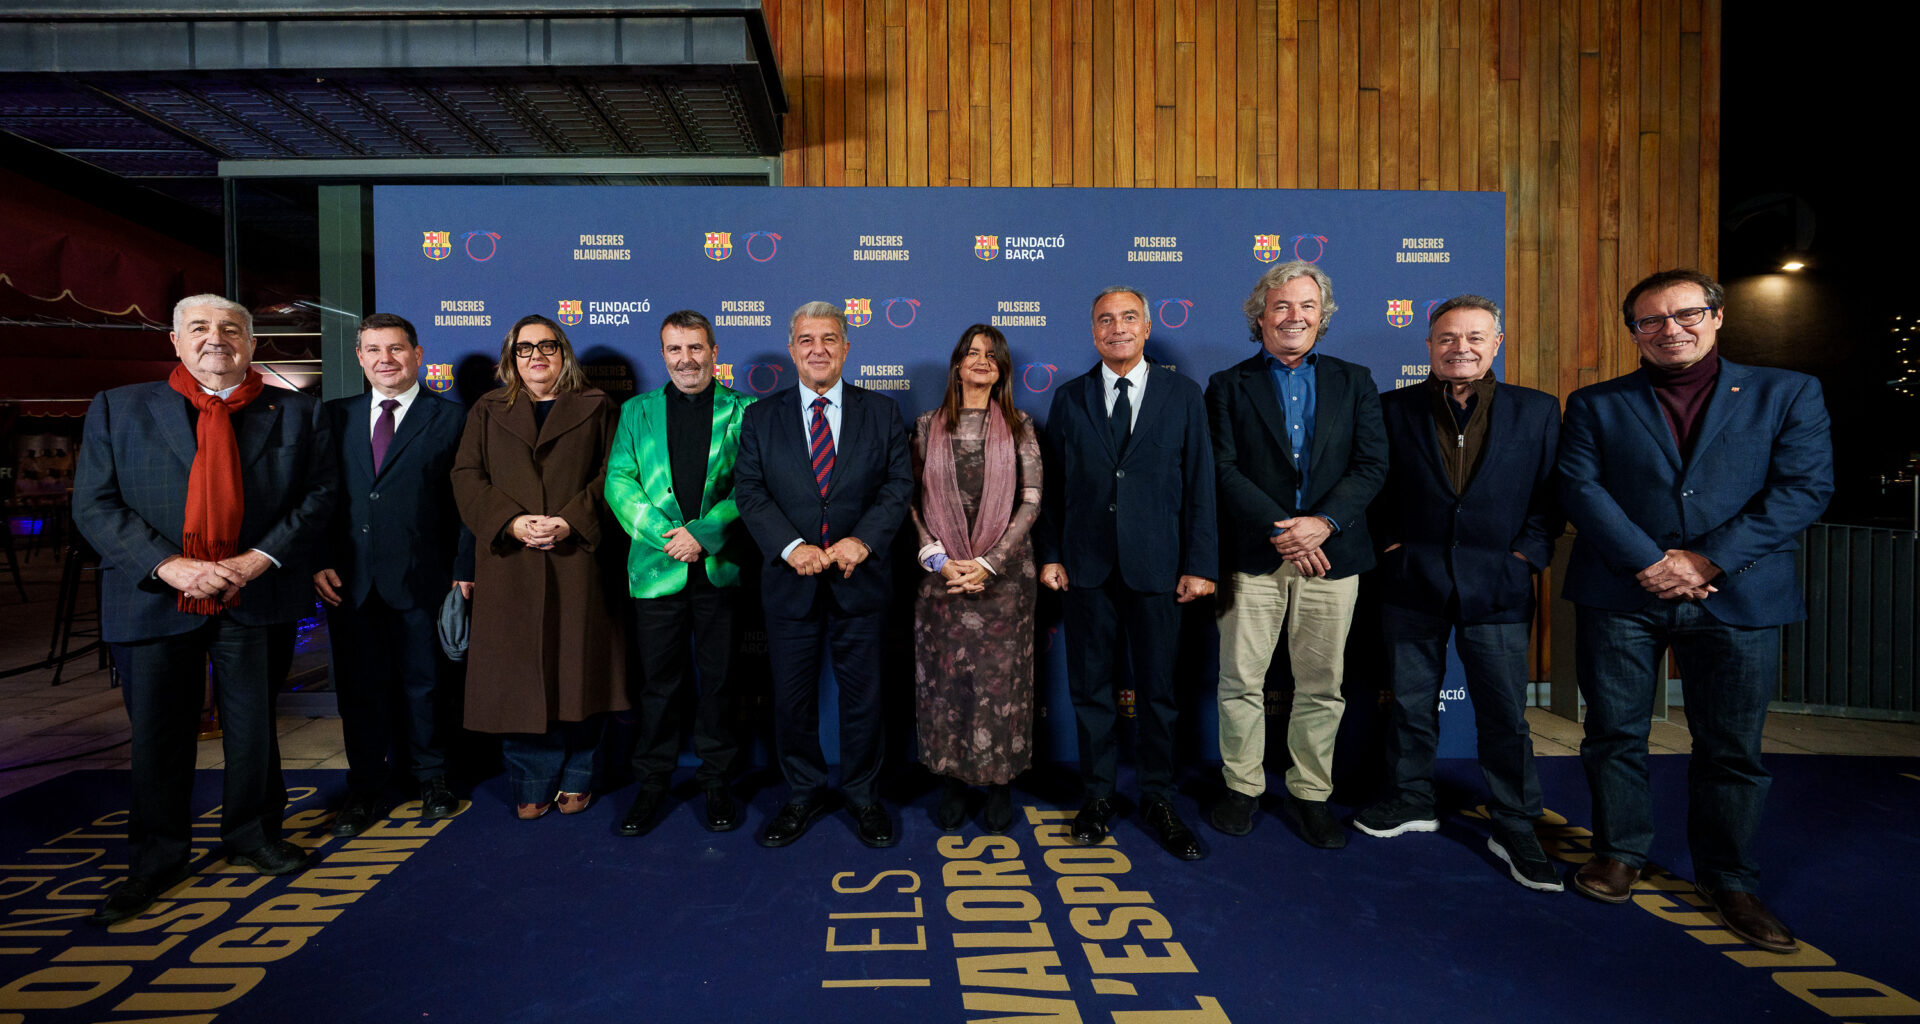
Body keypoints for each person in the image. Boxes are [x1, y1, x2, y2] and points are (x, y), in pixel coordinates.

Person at [1559, 268, 1832, 953]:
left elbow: (1803, 489)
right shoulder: (1596, 402)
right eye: (1651, 321)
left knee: (1731, 749)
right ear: (1634, 333)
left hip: (1738, 594)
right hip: (1624, 593)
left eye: (1685, 315)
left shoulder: (1788, 392)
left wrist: (1706, 560)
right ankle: (1620, 853)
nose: (1669, 330)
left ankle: (1729, 879)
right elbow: (1580, 488)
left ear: (1715, 316)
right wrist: (1651, 563)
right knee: (1614, 734)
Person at [74, 293, 334, 925]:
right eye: (200, 328)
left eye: (231, 329)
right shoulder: (119, 408)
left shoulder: (297, 412)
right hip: (155, 596)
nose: (216, 339)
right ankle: (156, 858)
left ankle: (253, 835)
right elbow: (95, 505)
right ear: (175, 340)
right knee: (159, 735)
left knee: (253, 730)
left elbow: (320, 494)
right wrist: (172, 566)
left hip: (255, 591)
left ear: (251, 344)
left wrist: (258, 559)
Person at [1353, 295, 1564, 891]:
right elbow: (1369, 484)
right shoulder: (1391, 408)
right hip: (1409, 583)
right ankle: (1411, 799)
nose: (1460, 348)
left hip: (1498, 586)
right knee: (1413, 705)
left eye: (1475, 337)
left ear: (1497, 343)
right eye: (1447, 338)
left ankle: (1515, 821)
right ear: (1428, 345)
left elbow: (1553, 498)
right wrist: (1391, 546)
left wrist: (1526, 558)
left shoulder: (1538, 411)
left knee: (1504, 714)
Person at [1204, 260, 1386, 849]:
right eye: (1282, 306)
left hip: (1333, 556)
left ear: (1322, 317)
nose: (1294, 316)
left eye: (1307, 306)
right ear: (1260, 317)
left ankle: (1311, 794)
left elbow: (1371, 465)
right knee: (1240, 681)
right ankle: (1242, 786)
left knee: (1321, 685)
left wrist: (1322, 525)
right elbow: (1222, 468)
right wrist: (1285, 530)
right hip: (1255, 554)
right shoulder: (1228, 385)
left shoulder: (1355, 380)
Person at [1036, 286, 1217, 862]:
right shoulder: (1069, 398)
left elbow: (1200, 487)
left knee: (1159, 693)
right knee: (1091, 691)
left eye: (1128, 318)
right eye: (1105, 320)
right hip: (1086, 568)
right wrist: (1052, 554)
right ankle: (1097, 796)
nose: (1117, 328)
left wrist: (1199, 564)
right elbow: (1053, 488)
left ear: (1146, 328)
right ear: (1093, 332)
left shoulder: (1183, 395)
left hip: (1160, 569)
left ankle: (1159, 798)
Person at [734, 301, 913, 849]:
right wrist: (791, 547)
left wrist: (862, 540)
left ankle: (862, 795)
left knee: (864, 699)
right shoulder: (762, 416)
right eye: (806, 339)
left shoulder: (881, 412)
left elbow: (898, 486)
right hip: (791, 586)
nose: (818, 349)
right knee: (792, 700)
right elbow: (751, 492)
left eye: (829, 339)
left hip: (862, 582)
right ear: (791, 350)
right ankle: (804, 793)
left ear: (846, 347)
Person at [451, 314, 626, 820]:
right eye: (524, 349)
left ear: (563, 352)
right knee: (519, 680)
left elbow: (613, 474)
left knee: (581, 673)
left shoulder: (597, 406)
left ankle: (578, 776)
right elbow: (466, 476)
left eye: (547, 346)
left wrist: (572, 521)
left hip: (578, 560)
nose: (536, 357)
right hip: (511, 561)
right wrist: (511, 522)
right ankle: (531, 778)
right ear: (511, 358)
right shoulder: (487, 409)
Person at [314, 313, 474, 837]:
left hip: (423, 580)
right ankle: (364, 787)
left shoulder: (452, 420)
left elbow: (468, 505)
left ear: (418, 354)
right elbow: (316, 499)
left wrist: (461, 571)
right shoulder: (333, 418)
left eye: (397, 348)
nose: (386, 358)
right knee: (360, 691)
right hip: (349, 584)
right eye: (373, 349)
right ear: (359, 358)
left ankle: (433, 780)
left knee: (427, 686)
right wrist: (317, 558)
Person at [606, 310, 754, 836]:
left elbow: (751, 488)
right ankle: (652, 783)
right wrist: (669, 538)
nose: (686, 360)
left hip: (720, 569)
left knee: (719, 683)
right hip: (656, 569)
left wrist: (704, 535)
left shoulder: (745, 411)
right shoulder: (636, 411)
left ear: (714, 351)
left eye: (696, 348)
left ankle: (718, 781)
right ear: (663, 354)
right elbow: (619, 483)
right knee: (658, 686)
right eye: (675, 350)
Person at [910, 324, 1042, 835]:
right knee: (946, 682)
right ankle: (952, 780)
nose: (982, 360)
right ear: (957, 364)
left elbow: (1031, 500)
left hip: (1003, 582)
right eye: (972, 353)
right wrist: (939, 560)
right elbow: (912, 503)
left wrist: (990, 562)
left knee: (1001, 685)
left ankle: (1000, 782)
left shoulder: (1021, 425)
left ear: (1003, 366)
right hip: (941, 578)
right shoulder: (926, 426)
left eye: (992, 354)